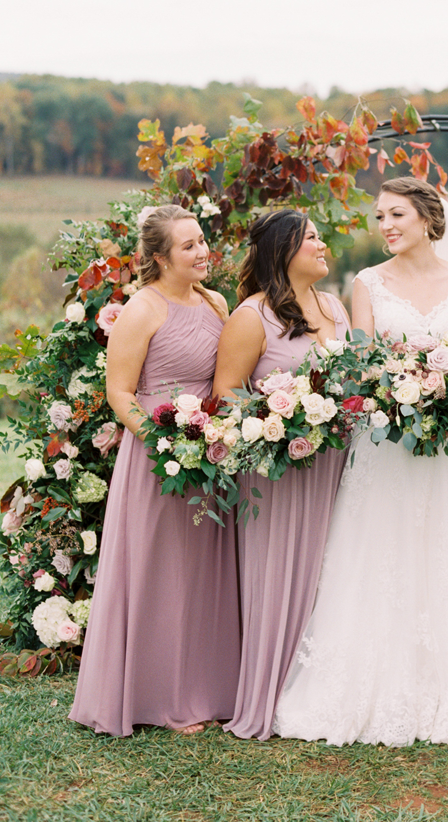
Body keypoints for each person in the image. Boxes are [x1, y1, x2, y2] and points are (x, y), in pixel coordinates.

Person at [274, 177, 448, 746]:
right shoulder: (367, 283)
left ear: (430, 218)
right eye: (379, 216)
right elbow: (362, 367)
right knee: (380, 556)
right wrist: (400, 391)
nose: (384, 226)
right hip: (386, 445)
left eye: (396, 215)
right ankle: (368, 686)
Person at [69, 205, 240, 736]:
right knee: (158, 573)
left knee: (200, 573)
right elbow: (118, 392)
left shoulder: (216, 302)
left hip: (207, 453)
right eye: (188, 245)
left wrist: (211, 436)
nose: (202, 251)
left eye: (202, 240)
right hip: (156, 460)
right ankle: (155, 696)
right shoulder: (141, 309)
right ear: (160, 257)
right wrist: (163, 444)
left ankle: (204, 690)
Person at [212, 209, 350, 740]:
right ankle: (267, 694)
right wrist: (276, 417)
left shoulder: (335, 308)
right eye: (311, 237)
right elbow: (226, 392)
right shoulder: (253, 316)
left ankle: (315, 691)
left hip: (332, 461)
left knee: (326, 573)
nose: (321, 243)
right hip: (276, 468)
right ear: (283, 251)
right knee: (279, 574)